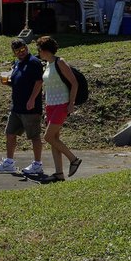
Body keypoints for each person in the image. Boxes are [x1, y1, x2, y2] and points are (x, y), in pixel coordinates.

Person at [0, 38, 44, 174]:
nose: (20, 53)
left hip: (31, 108)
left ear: (26, 48)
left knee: (34, 136)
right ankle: (9, 162)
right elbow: (17, 83)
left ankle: (38, 164)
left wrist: (32, 99)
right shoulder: (17, 64)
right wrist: (6, 83)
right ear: (13, 52)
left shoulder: (34, 62)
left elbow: (39, 82)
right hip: (17, 107)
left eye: (22, 50)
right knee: (10, 133)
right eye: (17, 51)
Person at [34, 36, 81, 183]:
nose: (38, 53)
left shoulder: (59, 62)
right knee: (54, 139)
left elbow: (74, 83)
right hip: (50, 104)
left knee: (48, 137)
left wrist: (71, 102)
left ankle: (74, 159)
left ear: (46, 50)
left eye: (40, 50)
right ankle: (58, 173)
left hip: (62, 103)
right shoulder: (47, 64)